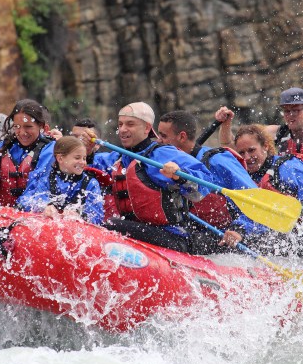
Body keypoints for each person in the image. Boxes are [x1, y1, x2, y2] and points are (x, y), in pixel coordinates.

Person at [85, 102, 233, 254]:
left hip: (173, 235)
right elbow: (82, 167)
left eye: (130, 124)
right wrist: (88, 153)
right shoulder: (120, 157)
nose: (122, 129)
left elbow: (205, 181)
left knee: (112, 224)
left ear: (147, 128)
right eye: (120, 124)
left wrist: (179, 175)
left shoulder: (164, 154)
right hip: (139, 230)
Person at [232, 124, 303, 258]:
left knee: (261, 242)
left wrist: (293, 208)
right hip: (279, 237)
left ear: (265, 146)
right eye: (242, 153)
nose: (247, 157)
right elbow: (255, 213)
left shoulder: (289, 166)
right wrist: (238, 229)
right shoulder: (245, 178)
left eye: (252, 150)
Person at [157, 110, 267, 239]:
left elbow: (255, 198)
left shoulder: (218, 160)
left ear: (182, 137)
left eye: (163, 136)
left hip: (235, 237)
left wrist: (240, 230)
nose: (158, 141)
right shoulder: (172, 165)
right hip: (201, 234)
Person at [0, 99, 55, 206]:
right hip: (4, 212)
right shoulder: (1, 147)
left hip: (31, 211)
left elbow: (40, 188)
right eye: (17, 126)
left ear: (41, 126)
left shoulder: (50, 150)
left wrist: (21, 208)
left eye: (28, 126)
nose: (22, 132)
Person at [17, 136, 104, 224]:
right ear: (60, 158)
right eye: (77, 158)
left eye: (84, 158)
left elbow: (97, 216)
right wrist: (45, 206)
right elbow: (26, 201)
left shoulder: (91, 184)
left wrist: (79, 215)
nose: (82, 162)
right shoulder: (46, 181)